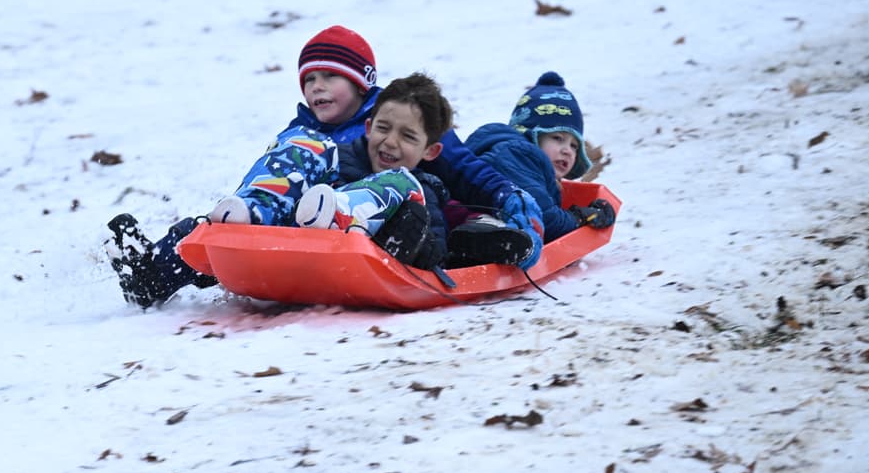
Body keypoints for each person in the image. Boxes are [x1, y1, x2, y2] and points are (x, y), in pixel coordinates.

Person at [106, 26, 545, 308]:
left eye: (329, 77)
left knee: (402, 194)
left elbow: (465, 169)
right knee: (206, 227)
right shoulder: (301, 135)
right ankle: (150, 276)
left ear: (362, 83)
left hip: (367, 230)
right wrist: (236, 218)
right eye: (309, 80)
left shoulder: (399, 121)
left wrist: (510, 198)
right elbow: (270, 176)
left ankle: (333, 214)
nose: (316, 87)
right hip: (297, 232)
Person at [293, 72, 453, 269]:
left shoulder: (423, 192)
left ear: (430, 150)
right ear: (368, 128)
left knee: (403, 186)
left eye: (408, 137)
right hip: (304, 241)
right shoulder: (336, 159)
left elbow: (437, 256)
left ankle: (342, 216)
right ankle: (255, 207)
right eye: (383, 128)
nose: (391, 142)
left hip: (359, 263)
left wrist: (411, 231)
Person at [460, 72, 615, 242]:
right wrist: (579, 218)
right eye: (557, 138)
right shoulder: (518, 156)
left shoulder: (526, 164)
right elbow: (544, 222)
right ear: (532, 137)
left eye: (574, 145)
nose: (567, 150)